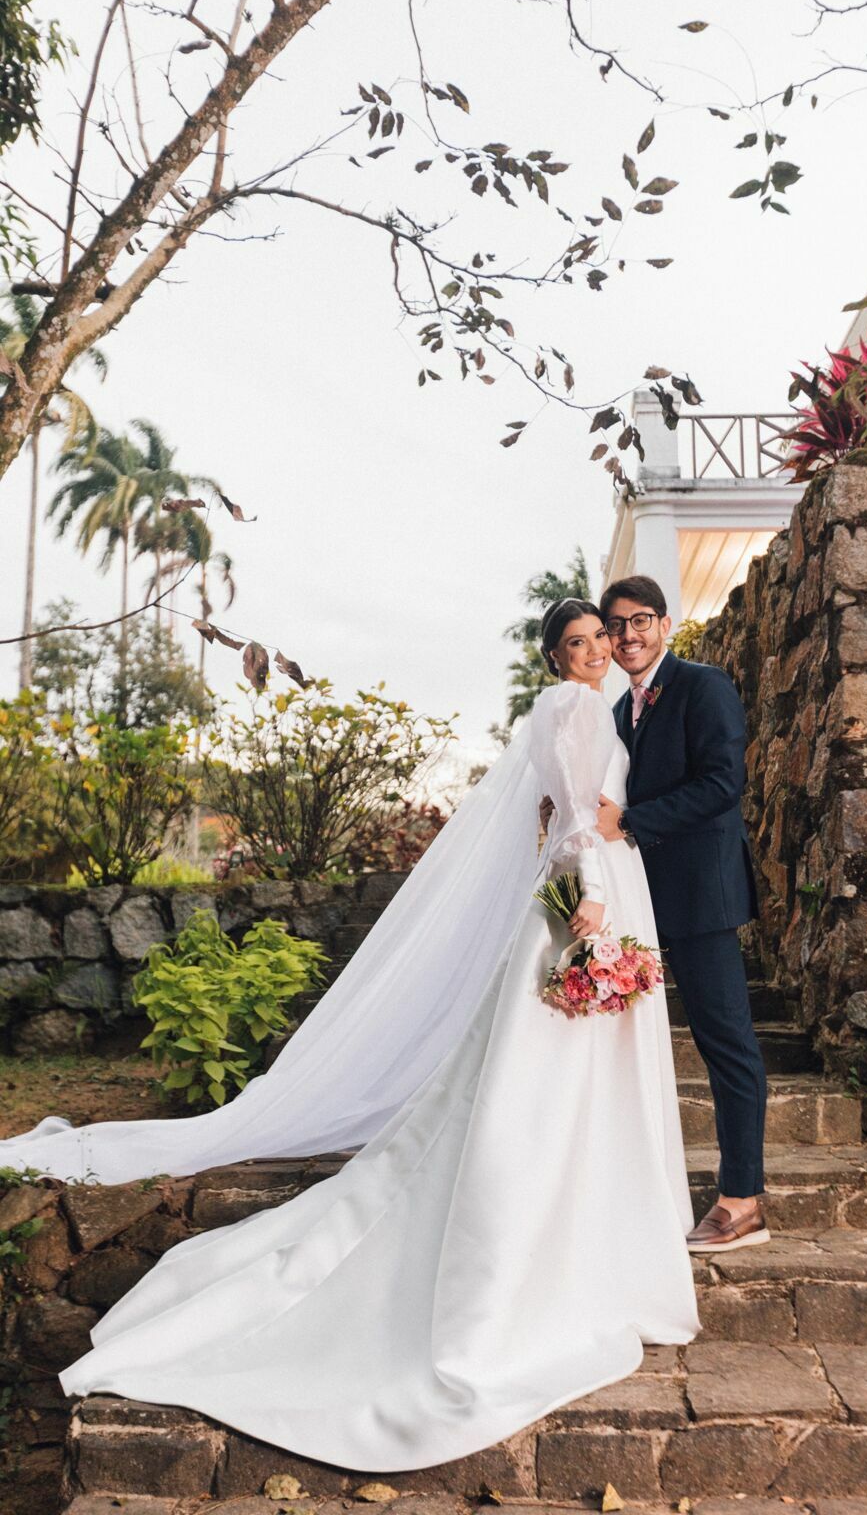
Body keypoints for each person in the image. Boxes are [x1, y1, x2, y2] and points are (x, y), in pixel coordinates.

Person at [0, 599, 699, 1473]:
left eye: (599, 638)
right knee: (548, 1074)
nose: (594, 650)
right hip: (587, 902)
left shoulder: (591, 706)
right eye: (576, 643)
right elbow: (573, 822)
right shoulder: (573, 707)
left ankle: (588, 1215)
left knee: (574, 1071)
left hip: (602, 894)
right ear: (555, 657)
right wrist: (590, 902)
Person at [597, 575, 768, 1254]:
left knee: (725, 1042)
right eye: (615, 625)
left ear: (665, 624)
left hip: (701, 894)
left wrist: (630, 821)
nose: (628, 635)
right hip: (638, 900)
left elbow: (724, 783)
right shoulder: (617, 712)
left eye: (640, 620)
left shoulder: (703, 686)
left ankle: (742, 1202)